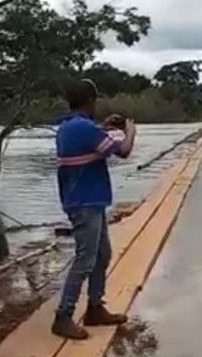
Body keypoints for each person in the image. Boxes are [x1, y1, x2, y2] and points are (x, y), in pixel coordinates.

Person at [52, 78, 137, 339]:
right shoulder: (84, 129)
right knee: (85, 259)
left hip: (88, 200)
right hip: (86, 203)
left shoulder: (70, 127)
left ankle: (95, 308)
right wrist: (130, 130)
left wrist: (104, 127)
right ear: (91, 101)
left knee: (102, 255)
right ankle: (63, 316)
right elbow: (123, 150)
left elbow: (92, 139)